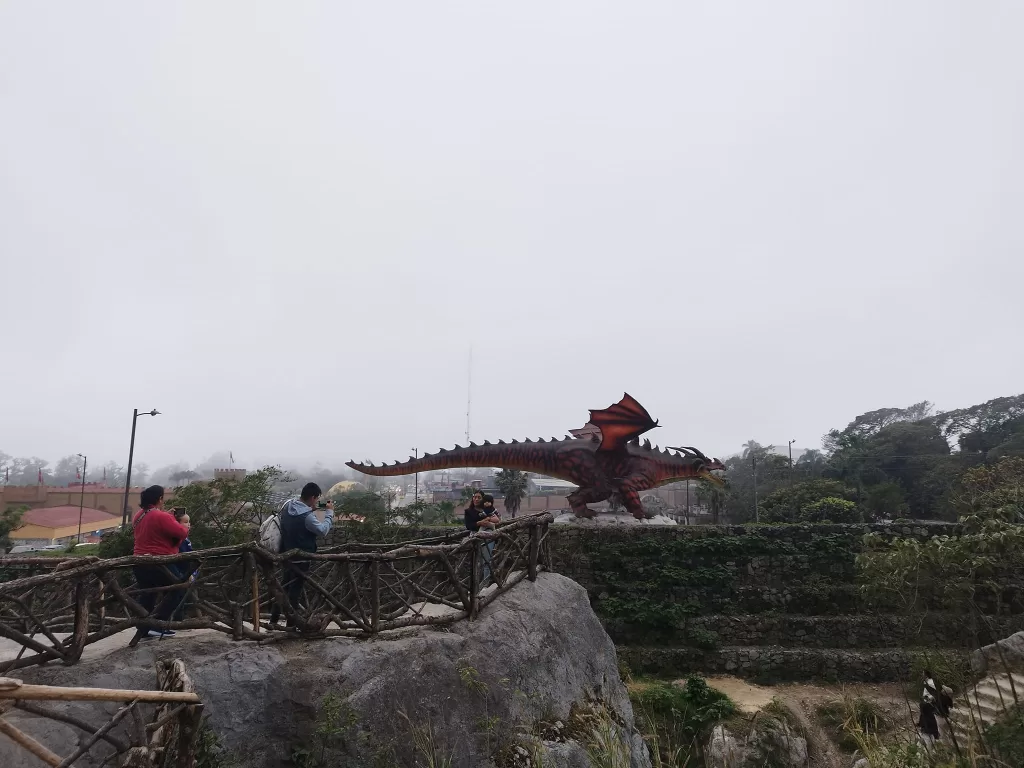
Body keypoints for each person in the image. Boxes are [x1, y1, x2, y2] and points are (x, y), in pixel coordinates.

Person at [270, 482, 334, 627]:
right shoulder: (307, 517)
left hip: (286, 555)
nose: (317, 502)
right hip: (302, 558)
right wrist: (329, 513)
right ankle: (291, 624)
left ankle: (273, 620)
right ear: (312, 498)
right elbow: (323, 530)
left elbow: (305, 508)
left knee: (284, 588)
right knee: (295, 591)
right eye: (317, 499)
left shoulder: (289, 505)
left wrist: (319, 506)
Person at [131, 485, 190, 642]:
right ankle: (158, 624)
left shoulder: (139, 515)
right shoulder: (160, 516)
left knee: (147, 595)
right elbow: (181, 532)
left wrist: (167, 516)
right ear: (160, 499)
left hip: (139, 562)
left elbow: (153, 526)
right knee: (178, 588)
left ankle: (144, 629)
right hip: (159, 562)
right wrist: (180, 523)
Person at [464, 491, 500, 584]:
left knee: (486, 560)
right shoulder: (469, 511)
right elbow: (469, 526)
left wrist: (490, 520)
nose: (476, 499)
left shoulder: (489, 509)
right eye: (474, 497)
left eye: (479, 497)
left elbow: (498, 519)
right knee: (475, 561)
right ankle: (476, 584)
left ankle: (485, 584)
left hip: (488, 535)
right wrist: (480, 523)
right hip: (475, 536)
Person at [170, 510, 199, 622]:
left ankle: (180, 617)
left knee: (184, 596)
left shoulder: (185, 539)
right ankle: (178, 619)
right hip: (181, 571)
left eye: (189, 522)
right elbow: (183, 556)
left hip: (188, 571)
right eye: (185, 522)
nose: (189, 524)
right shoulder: (179, 539)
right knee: (180, 596)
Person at [918, 669, 940, 746]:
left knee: (928, 717)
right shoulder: (926, 682)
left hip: (929, 703)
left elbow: (934, 693)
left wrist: (929, 699)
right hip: (925, 702)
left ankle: (930, 733)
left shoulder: (931, 683)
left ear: (926, 674)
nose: (922, 675)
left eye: (923, 673)